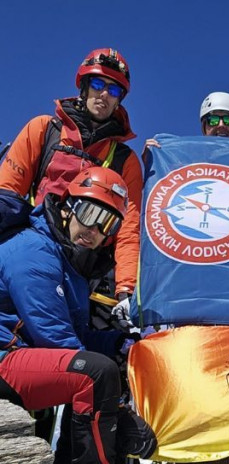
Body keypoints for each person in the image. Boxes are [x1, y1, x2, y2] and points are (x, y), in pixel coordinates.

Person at [0, 167, 156, 464]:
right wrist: (120, 416)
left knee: (99, 366)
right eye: (89, 213)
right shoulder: (32, 250)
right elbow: (54, 338)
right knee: (93, 374)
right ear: (67, 207)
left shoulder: (66, 260)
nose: (94, 230)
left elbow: (75, 334)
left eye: (107, 223)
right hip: (5, 356)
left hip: (17, 355)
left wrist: (117, 345)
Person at [0, 48, 143, 303]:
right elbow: (7, 195)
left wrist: (126, 290)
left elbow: (128, 231)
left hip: (91, 273)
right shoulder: (44, 130)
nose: (104, 95)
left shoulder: (125, 160)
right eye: (98, 84)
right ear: (84, 87)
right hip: (37, 250)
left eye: (114, 90)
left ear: (120, 99)